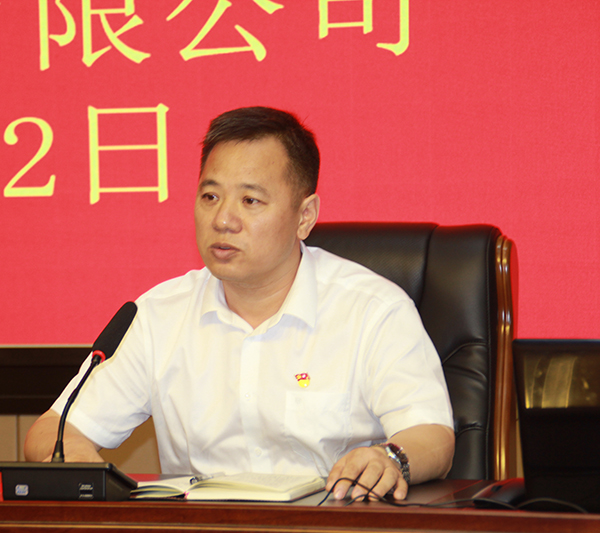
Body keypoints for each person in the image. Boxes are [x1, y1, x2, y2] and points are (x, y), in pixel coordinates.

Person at [24, 106, 455, 501]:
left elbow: (433, 436)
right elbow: (52, 431)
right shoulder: (159, 315)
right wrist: (74, 457)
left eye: (250, 201)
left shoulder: (372, 309)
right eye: (210, 197)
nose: (223, 220)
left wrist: (388, 458)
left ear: (305, 216)